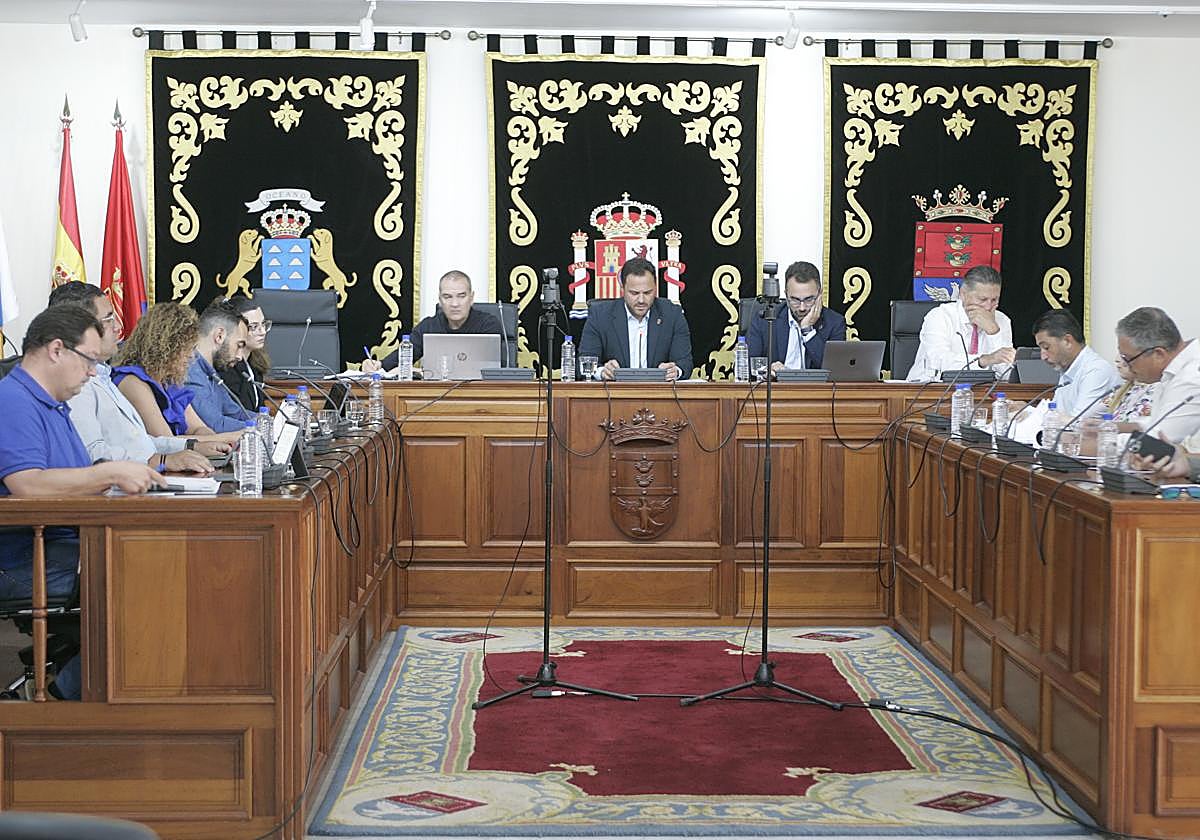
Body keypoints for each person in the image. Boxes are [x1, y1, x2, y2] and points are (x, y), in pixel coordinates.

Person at [0, 305, 165, 700]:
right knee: (157, 581)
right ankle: (67, 694)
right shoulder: (13, 400)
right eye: (89, 360)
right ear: (57, 349)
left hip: (65, 544)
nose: (94, 372)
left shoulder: (53, 404)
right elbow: (26, 485)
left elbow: (75, 478)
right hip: (27, 559)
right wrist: (108, 474)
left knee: (166, 563)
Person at [47, 283, 218, 472]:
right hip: (117, 493)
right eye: (108, 319)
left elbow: (138, 442)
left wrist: (190, 447)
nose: (119, 327)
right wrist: (161, 461)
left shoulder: (102, 375)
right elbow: (92, 454)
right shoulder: (76, 385)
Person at [113, 302, 240, 444]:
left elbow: (198, 428)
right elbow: (166, 441)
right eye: (186, 349)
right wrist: (228, 437)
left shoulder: (169, 381)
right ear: (165, 347)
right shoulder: (132, 382)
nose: (192, 356)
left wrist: (213, 442)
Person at [579, 257, 693, 382]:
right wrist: (601, 372)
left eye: (648, 293)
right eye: (634, 293)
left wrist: (675, 371)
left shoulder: (672, 314)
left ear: (655, 287)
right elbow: (584, 360)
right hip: (615, 395)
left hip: (659, 395)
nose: (641, 300)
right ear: (622, 289)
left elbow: (685, 362)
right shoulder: (600, 315)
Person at [364, 270, 504, 371]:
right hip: (437, 395)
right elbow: (404, 357)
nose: (455, 303)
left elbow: (495, 369)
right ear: (440, 299)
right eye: (448, 297)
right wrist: (378, 365)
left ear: (471, 297)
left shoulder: (489, 325)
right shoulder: (428, 326)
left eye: (461, 296)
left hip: (479, 394)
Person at [905, 265, 1015, 382]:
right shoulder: (940, 316)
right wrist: (983, 361)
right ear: (963, 294)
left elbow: (1007, 374)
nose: (988, 307)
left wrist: (993, 332)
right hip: (928, 391)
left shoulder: (1002, 320)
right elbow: (938, 362)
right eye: (982, 300)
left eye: (994, 300)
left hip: (983, 393)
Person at [1115, 306, 1200, 443]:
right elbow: (1162, 421)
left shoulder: (1191, 378)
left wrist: (1099, 443)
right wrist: (1114, 427)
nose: (1127, 366)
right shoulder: (1172, 371)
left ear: (1158, 354)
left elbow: (1159, 442)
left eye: (1129, 359)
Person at [746, 261, 846, 372]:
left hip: (816, 389)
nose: (802, 308)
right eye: (795, 300)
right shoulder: (765, 320)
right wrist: (767, 370)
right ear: (786, 294)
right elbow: (749, 365)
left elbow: (835, 371)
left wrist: (807, 331)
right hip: (776, 387)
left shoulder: (835, 323)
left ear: (819, 294)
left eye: (809, 299)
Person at [1031, 309, 1121, 418]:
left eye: (1046, 347)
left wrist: (1032, 414)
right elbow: (1055, 415)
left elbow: (1076, 423)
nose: (1043, 356)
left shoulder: (1096, 370)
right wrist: (1028, 411)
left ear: (1067, 341)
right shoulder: (1067, 370)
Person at [185, 298, 253, 432]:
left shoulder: (211, 373)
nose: (240, 356)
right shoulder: (189, 370)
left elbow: (237, 413)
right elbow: (215, 425)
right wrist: (265, 428)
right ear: (219, 336)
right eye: (239, 346)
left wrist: (269, 421)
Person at [220, 295, 270, 413]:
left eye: (263, 324)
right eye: (254, 327)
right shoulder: (227, 368)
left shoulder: (255, 364)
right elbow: (233, 414)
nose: (262, 332)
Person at [1106, 355, 1156, 426]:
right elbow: (1091, 414)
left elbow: (1134, 425)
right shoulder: (1124, 387)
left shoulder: (1153, 390)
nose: (1118, 365)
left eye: (1125, 360)